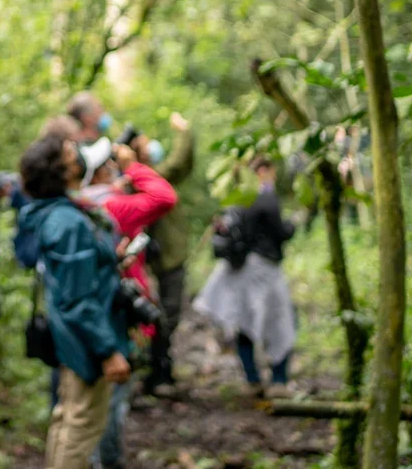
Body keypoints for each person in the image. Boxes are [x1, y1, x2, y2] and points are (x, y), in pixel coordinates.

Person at [17, 135, 132, 469]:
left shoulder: (60, 213)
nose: (78, 156)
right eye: (70, 154)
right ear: (58, 170)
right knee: (81, 427)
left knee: (68, 419)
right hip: (84, 341)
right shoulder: (67, 222)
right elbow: (78, 300)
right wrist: (108, 351)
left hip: (74, 337)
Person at [75, 136, 177, 469]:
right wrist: (133, 166)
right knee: (112, 400)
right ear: (102, 172)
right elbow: (164, 196)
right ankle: (107, 462)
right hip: (117, 312)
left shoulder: (79, 204)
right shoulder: (115, 206)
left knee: (87, 398)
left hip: (83, 313)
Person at [194, 156, 297, 398]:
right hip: (264, 269)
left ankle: (253, 379)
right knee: (280, 322)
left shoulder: (237, 198)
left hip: (243, 270)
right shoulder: (266, 197)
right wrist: (292, 225)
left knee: (246, 323)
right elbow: (281, 232)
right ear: (263, 171)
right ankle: (278, 380)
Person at [134, 113, 196, 396]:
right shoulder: (148, 179)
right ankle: (157, 371)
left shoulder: (150, 177)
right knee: (165, 314)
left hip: (165, 257)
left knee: (166, 313)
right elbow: (181, 161)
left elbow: (182, 167)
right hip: (163, 260)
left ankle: (159, 369)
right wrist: (184, 131)